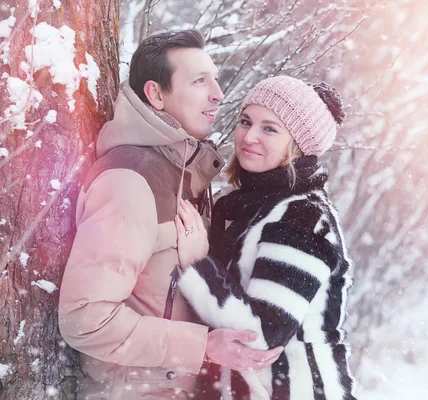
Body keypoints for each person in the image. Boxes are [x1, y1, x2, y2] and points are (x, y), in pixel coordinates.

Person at [58, 30, 282, 400]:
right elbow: (85, 319)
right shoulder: (130, 181)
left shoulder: (182, 171)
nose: (218, 94)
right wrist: (203, 346)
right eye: (199, 81)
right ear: (156, 95)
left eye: (214, 78)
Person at [175, 75, 357, 400]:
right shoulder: (245, 207)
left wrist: (195, 265)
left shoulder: (302, 218)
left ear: (298, 144)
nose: (249, 136)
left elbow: (259, 336)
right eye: (246, 121)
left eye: (269, 128)